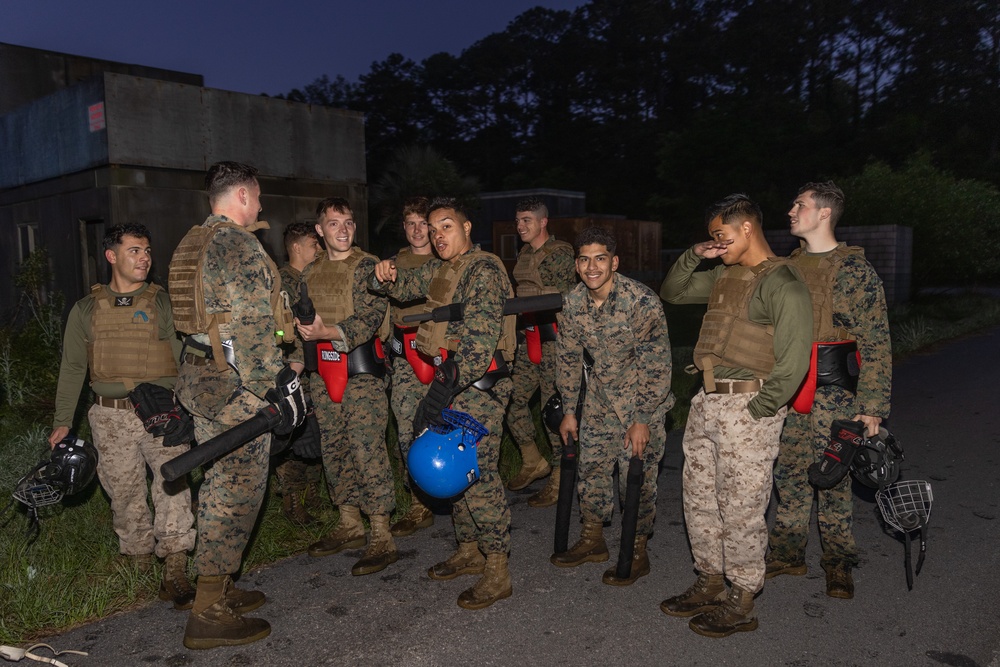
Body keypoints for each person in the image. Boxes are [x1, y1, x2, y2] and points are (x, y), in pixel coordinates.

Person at [659, 194, 812, 638]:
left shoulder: (783, 281)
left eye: (721, 235)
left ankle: (743, 598)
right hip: (706, 402)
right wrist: (695, 255)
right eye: (712, 237)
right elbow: (673, 292)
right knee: (700, 500)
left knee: (742, 508)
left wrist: (760, 409)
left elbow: (794, 361)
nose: (717, 243)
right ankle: (709, 579)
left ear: (747, 228)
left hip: (749, 407)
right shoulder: (727, 276)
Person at [169, 161, 300, 649]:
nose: (262, 206)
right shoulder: (238, 245)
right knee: (236, 487)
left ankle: (219, 584)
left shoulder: (193, 242)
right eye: (259, 196)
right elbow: (250, 327)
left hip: (201, 377)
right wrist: (275, 388)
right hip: (234, 386)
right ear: (242, 195)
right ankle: (207, 612)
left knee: (219, 482)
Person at [372, 196, 516, 610]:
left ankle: (497, 567)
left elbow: (478, 343)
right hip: (452, 382)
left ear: (467, 228)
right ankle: (468, 548)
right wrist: (380, 273)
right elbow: (400, 288)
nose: (437, 236)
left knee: (475, 471)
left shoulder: (483, 270)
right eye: (432, 230)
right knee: (452, 471)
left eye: (446, 227)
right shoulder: (441, 268)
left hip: (479, 385)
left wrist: (441, 391)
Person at [49, 222, 196, 609]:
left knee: (173, 481)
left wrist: (191, 404)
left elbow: (185, 356)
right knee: (123, 491)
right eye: (135, 251)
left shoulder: (162, 303)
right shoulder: (86, 310)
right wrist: (63, 421)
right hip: (110, 416)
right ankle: (138, 558)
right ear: (111, 256)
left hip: (162, 411)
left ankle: (176, 565)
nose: (144, 258)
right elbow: (72, 368)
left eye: (147, 250)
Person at [766, 181, 892, 599]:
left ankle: (839, 564)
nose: (790, 211)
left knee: (834, 477)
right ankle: (787, 553)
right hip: (789, 388)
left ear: (823, 213)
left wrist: (871, 407)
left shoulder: (854, 271)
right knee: (788, 473)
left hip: (834, 393)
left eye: (799, 204)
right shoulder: (786, 267)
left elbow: (875, 342)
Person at [553, 227, 674, 585]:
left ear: (614, 262)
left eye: (600, 259)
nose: (592, 267)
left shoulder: (641, 301)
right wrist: (569, 410)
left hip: (641, 404)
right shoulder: (573, 302)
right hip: (600, 402)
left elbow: (657, 364)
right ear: (577, 265)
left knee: (636, 481)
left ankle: (636, 551)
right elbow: (568, 358)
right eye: (585, 260)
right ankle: (593, 539)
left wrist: (642, 419)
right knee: (591, 472)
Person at [295, 198, 396, 576]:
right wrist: (298, 351)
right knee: (333, 446)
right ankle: (349, 521)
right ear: (319, 231)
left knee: (366, 446)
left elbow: (371, 315)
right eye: (334, 224)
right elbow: (303, 320)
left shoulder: (367, 267)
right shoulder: (310, 272)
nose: (343, 230)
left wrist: (330, 332)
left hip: (360, 373)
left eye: (349, 223)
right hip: (323, 373)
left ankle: (381, 531)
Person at [505, 197, 577, 507]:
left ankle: (561, 478)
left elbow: (561, 299)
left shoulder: (560, 254)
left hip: (554, 343)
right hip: (529, 339)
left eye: (526, 221)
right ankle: (533, 460)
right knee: (510, 397)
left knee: (553, 412)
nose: (520, 226)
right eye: (518, 221)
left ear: (543, 222)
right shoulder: (523, 254)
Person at [383, 197, 440, 537]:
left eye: (424, 224)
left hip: (441, 356)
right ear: (404, 228)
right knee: (406, 429)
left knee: (445, 426)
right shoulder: (392, 265)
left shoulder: (448, 259)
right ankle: (419, 503)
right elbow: (383, 313)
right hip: (405, 359)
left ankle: (453, 494)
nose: (418, 231)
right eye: (412, 224)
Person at [274, 222, 324, 525]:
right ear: (296, 247)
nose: (317, 249)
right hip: (292, 369)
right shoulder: (281, 282)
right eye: (313, 244)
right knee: (293, 438)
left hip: (316, 368)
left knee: (314, 434)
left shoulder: (314, 277)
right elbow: (278, 330)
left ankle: (313, 493)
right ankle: (293, 500)